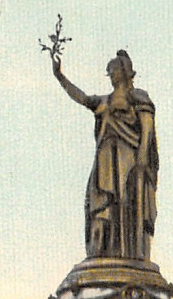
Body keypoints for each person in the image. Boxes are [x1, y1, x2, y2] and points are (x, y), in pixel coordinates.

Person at [52, 49, 158, 261]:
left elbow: (147, 126)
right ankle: (101, 252)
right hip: (105, 159)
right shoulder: (103, 101)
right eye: (109, 71)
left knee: (126, 203)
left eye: (114, 70)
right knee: (100, 204)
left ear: (126, 71)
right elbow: (81, 97)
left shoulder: (137, 96)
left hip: (127, 158)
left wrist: (143, 156)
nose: (110, 74)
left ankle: (130, 255)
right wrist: (60, 76)